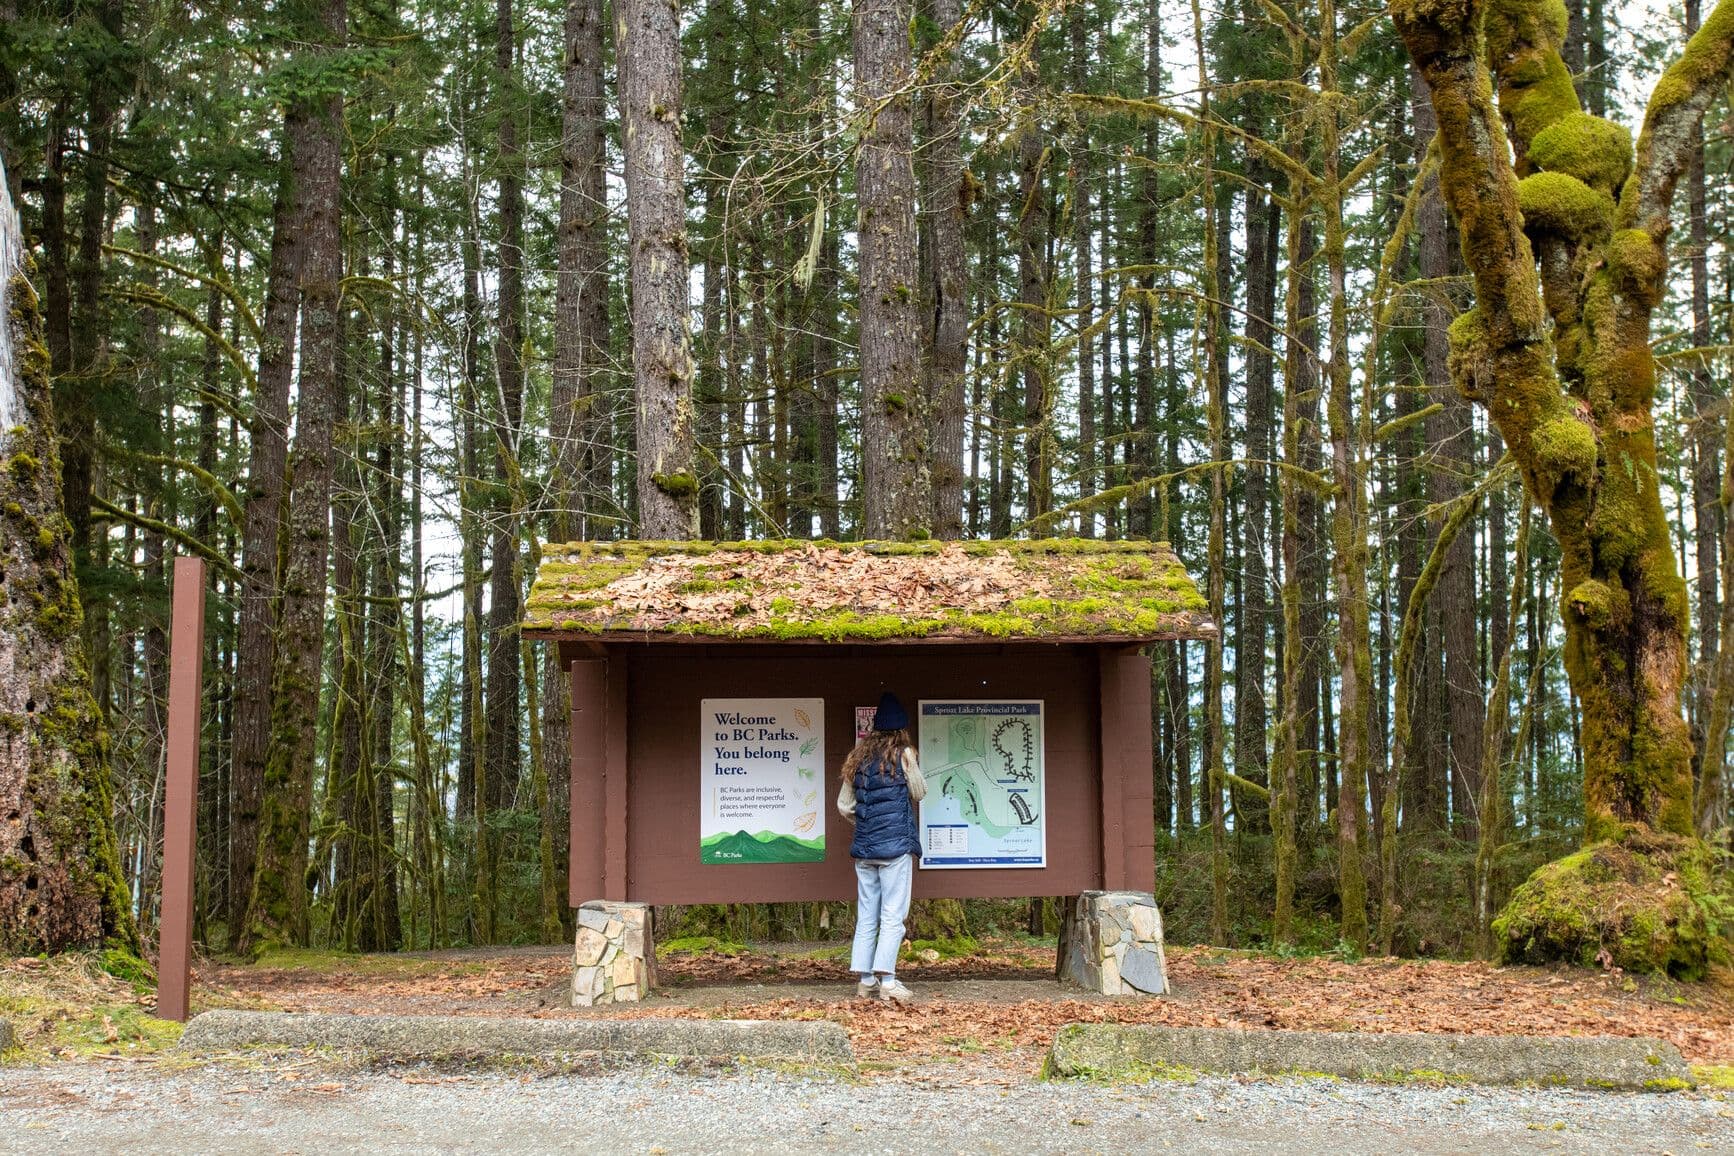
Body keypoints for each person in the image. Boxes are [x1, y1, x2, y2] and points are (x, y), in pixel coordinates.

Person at [837, 691, 925, 1002]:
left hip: (865, 850)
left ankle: (865, 980)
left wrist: (866, 823)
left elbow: (844, 806)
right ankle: (888, 982)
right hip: (896, 848)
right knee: (892, 914)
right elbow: (919, 792)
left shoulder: (857, 758)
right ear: (902, 728)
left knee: (867, 913)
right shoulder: (905, 755)